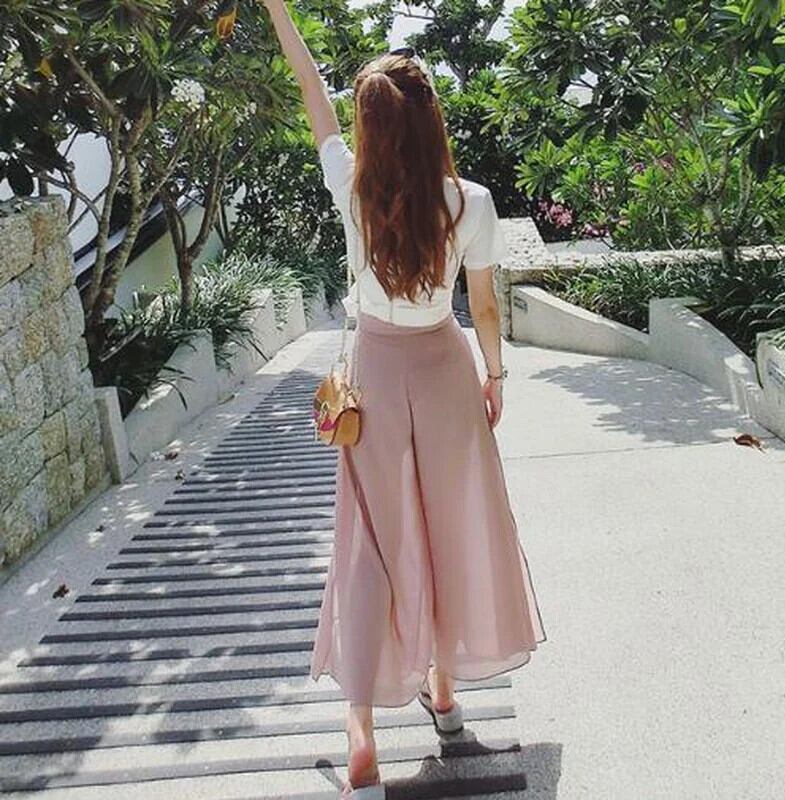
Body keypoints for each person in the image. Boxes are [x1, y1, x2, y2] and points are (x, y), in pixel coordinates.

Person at [259, 2, 547, 797]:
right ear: (431, 120)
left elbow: (310, 89)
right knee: (449, 530)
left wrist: (279, 10)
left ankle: (361, 727)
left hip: (377, 381)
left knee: (372, 544)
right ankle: (443, 694)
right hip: (447, 374)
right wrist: (495, 377)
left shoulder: (352, 188)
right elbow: (483, 309)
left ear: (372, 127)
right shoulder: (472, 202)